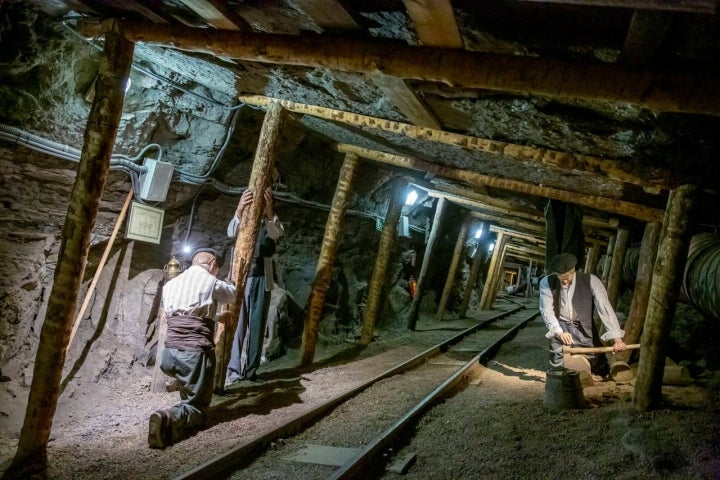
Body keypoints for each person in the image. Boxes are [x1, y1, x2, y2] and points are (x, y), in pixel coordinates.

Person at [148, 248, 236, 449]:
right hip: (194, 354)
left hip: (170, 354)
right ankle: (168, 418)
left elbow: (186, 313)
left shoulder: (172, 283)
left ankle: (181, 412)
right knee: (198, 407)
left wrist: (215, 317)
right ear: (212, 264)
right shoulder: (210, 280)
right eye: (217, 268)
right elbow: (231, 296)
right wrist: (231, 283)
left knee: (190, 386)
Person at [225, 187, 284, 386]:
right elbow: (231, 231)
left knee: (257, 325)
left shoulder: (270, 223)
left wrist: (270, 212)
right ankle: (233, 371)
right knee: (237, 326)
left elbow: (277, 233)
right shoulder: (244, 221)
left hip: (262, 278)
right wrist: (239, 209)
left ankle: (250, 371)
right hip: (240, 277)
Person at [538, 252, 626, 378]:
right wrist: (559, 332)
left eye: (567, 277)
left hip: (583, 325)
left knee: (597, 361)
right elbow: (546, 310)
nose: (564, 281)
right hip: (561, 325)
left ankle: (595, 374)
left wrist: (617, 338)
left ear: (573, 270)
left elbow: (605, 308)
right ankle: (565, 380)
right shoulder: (546, 282)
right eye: (560, 277)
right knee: (558, 361)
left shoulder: (591, 281)